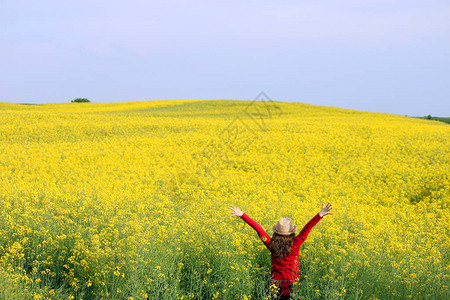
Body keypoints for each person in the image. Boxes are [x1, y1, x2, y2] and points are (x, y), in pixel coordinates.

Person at [229, 203, 333, 299]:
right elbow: (307, 228)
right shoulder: (296, 243)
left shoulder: (271, 244)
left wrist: (242, 214)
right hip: (292, 282)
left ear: (276, 233)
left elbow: (258, 229)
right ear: (291, 233)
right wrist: (320, 214)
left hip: (275, 283)